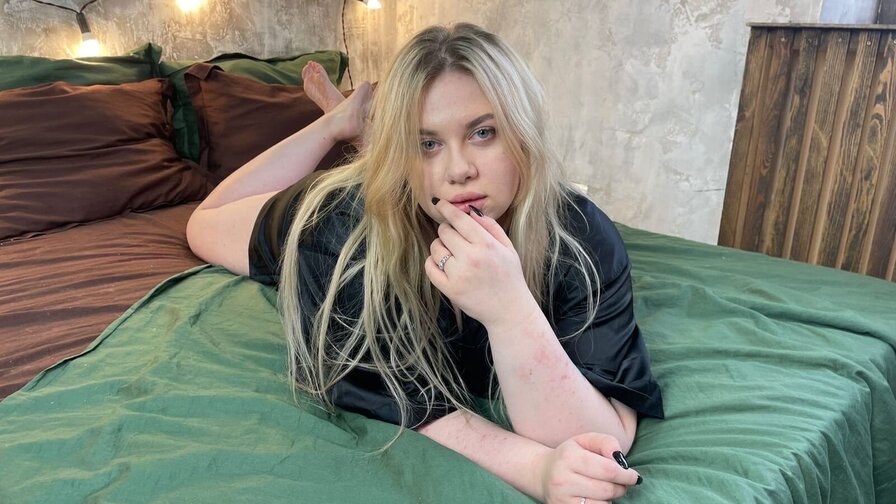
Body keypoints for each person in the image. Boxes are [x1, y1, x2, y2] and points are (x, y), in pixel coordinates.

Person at [187, 23, 663, 504]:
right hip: (325, 207)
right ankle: (336, 122)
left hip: (401, 184)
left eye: (483, 133)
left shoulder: (580, 231)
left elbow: (600, 436)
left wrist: (511, 310)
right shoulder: (337, 230)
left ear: (523, 133)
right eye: (426, 143)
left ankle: (371, 135)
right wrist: (533, 468)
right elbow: (388, 394)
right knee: (201, 224)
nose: (460, 171)